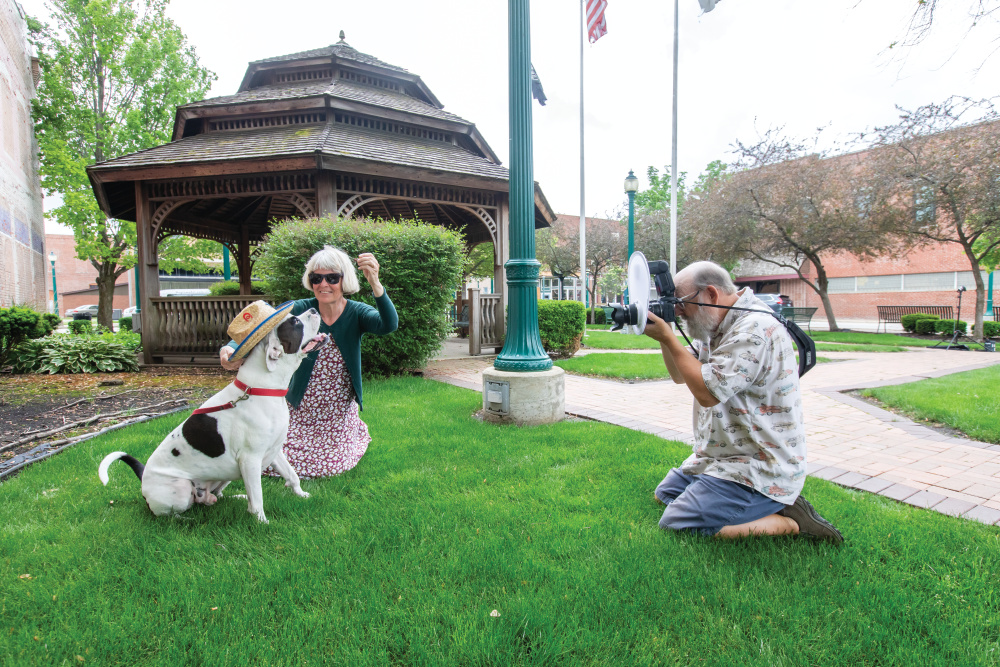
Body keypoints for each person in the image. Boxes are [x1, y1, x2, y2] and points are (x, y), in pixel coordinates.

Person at [642, 260, 843, 542]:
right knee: (665, 494)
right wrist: (667, 338)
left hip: (759, 463)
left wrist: (668, 337)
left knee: (677, 523)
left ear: (711, 294)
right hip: (720, 456)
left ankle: (792, 522)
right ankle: (752, 503)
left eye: (682, 303)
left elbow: (707, 394)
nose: (678, 311)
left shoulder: (753, 329)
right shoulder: (715, 322)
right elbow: (679, 375)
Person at [220, 246, 398, 478]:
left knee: (330, 466)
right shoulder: (300, 309)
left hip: (337, 412)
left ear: (344, 280)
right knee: (268, 458)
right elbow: (259, 327)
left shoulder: (356, 312)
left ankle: (347, 436)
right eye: (316, 278)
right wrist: (230, 348)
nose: (323, 284)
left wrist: (375, 282)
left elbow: (388, 324)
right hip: (299, 408)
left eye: (332, 278)